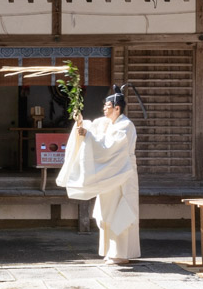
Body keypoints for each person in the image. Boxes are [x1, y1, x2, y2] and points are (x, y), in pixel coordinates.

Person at [56, 85, 141, 265]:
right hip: (109, 175)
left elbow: (110, 146)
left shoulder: (126, 125)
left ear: (117, 108)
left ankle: (121, 253)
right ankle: (111, 251)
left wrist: (88, 135)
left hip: (122, 174)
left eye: (107, 105)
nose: (104, 108)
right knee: (106, 212)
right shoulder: (105, 122)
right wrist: (80, 123)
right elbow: (91, 129)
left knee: (120, 210)